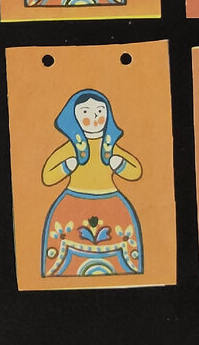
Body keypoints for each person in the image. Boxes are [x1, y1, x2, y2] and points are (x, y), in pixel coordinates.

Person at [40, 90, 143, 276]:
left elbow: (136, 171)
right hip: (72, 205)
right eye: (85, 112)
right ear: (74, 118)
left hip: (112, 204)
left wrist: (120, 165)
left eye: (99, 112)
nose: (94, 118)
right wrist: (66, 166)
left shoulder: (110, 147)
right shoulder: (71, 148)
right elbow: (47, 177)